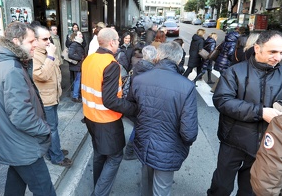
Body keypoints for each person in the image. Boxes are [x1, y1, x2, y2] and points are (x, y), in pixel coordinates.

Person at [207, 30, 282, 196]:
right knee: (221, 187)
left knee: (249, 190)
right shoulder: (235, 72)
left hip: (266, 146)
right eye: (273, 52)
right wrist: (261, 112)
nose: (278, 57)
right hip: (233, 141)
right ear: (257, 48)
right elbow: (222, 101)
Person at [0, 22, 56, 196]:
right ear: (16, 41)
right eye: (31, 42)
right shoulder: (11, 69)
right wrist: (45, 129)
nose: (35, 45)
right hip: (22, 145)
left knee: (15, 186)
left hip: (12, 142)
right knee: (44, 190)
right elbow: (22, 117)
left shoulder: (3, 63)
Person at [128, 41, 198, 195]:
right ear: (179, 60)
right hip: (169, 148)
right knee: (161, 189)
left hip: (144, 141)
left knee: (145, 184)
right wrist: (184, 144)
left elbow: (132, 109)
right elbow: (189, 132)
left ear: (158, 56)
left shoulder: (140, 79)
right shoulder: (186, 86)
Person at [81, 27, 137, 196]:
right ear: (112, 42)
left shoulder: (89, 59)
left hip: (90, 116)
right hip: (107, 121)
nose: (119, 43)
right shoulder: (111, 65)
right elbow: (111, 100)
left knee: (99, 154)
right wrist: (134, 108)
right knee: (114, 157)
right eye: (118, 41)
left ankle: (97, 187)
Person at [32, 25, 72, 167]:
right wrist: (50, 56)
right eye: (45, 39)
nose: (48, 41)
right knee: (52, 128)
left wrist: (52, 54)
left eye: (49, 38)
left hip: (53, 95)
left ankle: (54, 150)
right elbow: (41, 75)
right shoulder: (35, 55)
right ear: (35, 40)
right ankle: (56, 156)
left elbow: (58, 67)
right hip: (45, 99)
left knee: (52, 127)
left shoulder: (47, 50)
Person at [123, 45, 157, 160]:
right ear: (154, 57)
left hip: (133, 101)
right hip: (142, 103)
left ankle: (132, 149)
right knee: (139, 127)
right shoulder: (151, 70)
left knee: (139, 126)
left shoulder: (137, 65)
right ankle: (129, 151)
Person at [68, 31, 85, 102]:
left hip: (78, 65)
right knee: (77, 80)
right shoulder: (74, 44)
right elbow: (70, 54)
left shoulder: (79, 44)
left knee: (77, 80)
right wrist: (79, 58)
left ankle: (76, 94)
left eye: (81, 34)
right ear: (75, 37)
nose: (81, 35)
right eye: (79, 34)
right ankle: (75, 96)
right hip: (76, 66)